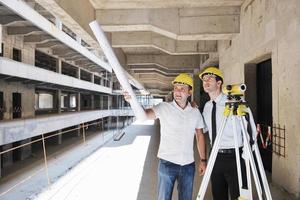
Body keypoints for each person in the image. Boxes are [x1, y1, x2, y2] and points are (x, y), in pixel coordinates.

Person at [123, 73, 207, 200]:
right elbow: (143, 116)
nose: (178, 92)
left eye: (182, 89)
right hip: (167, 164)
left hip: (188, 165)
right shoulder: (164, 108)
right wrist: (132, 102)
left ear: (189, 92)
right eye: (176, 88)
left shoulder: (195, 112)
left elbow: (199, 135)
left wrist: (203, 160)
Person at [199, 67, 247, 200]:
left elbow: (249, 128)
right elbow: (203, 130)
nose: (205, 81)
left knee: (240, 196)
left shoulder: (235, 102)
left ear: (219, 83)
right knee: (218, 195)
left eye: (209, 78)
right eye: (204, 79)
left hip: (236, 156)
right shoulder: (207, 107)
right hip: (215, 157)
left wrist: (248, 152)